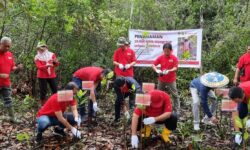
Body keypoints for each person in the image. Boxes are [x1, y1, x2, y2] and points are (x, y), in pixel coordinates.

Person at [0, 36, 23, 123]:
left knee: (8, 100)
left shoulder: (10, 54)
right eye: (5, 46)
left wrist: (17, 68)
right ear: (0, 44)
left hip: (6, 83)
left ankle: (12, 118)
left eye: (9, 46)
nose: (7, 48)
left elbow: (12, 67)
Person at [152, 43, 180, 113]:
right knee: (158, 94)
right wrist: (156, 70)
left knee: (175, 94)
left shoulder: (174, 58)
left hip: (171, 80)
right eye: (165, 51)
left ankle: (177, 110)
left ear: (171, 50)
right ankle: (158, 108)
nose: (166, 52)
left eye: (168, 51)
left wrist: (169, 71)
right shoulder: (161, 57)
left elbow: (175, 68)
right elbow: (153, 65)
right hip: (161, 79)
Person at [34, 41, 59, 105]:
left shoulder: (51, 54)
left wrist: (55, 62)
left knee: (55, 89)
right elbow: (39, 67)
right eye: (40, 48)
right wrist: (47, 66)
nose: (42, 49)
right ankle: (43, 106)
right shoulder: (37, 57)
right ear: (38, 48)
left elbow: (56, 64)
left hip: (51, 75)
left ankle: (56, 103)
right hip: (42, 75)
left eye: (43, 47)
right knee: (43, 91)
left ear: (46, 47)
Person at [228, 81, 250, 146]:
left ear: (242, 96)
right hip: (245, 98)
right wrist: (237, 133)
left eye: (237, 101)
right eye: (235, 101)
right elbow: (235, 115)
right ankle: (238, 139)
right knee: (240, 114)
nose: (236, 103)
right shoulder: (235, 93)